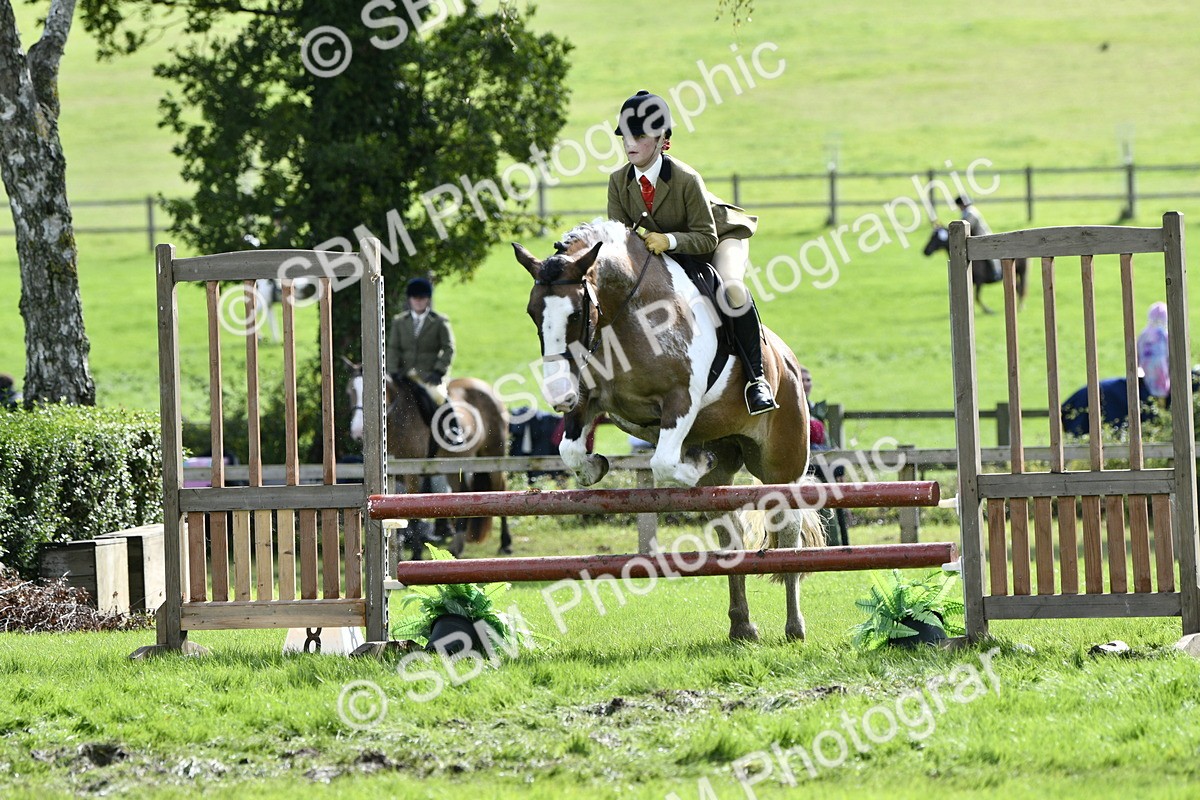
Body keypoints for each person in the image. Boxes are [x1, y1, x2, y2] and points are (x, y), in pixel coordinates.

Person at [607, 90, 777, 415]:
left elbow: (706, 238)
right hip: (669, 250)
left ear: (661, 141)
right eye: (626, 136)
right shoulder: (618, 181)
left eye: (639, 136)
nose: (630, 144)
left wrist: (668, 241)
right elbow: (620, 237)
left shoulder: (687, 179)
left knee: (731, 289)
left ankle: (757, 381)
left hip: (719, 237)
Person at [386, 277, 463, 446]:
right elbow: (392, 348)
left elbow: (449, 348)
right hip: (404, 375)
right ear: (410, 300)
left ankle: (453, 430)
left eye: (422, 298)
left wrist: (439, 372)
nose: (418, 302)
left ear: (427, 299)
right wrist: (392, 370)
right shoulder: (399, 321)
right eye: (415, 298)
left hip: (429, 376)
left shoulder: (439, 321)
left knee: (439, 397)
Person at [955, 194, 1000, 282]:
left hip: (983, 237)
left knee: (989, 254)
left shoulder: (971, 212)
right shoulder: (966, 212)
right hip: (976, 238)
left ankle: (996, 271)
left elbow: (968, 226)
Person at [1137, 301, 1170, 399]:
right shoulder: (1165, 335)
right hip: (1162, 369)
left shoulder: (1143, 334)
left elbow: (1137, 352)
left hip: (1146, 369)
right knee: (1162, 390)